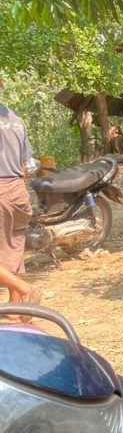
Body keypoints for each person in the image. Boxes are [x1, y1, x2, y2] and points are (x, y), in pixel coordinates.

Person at [0, 79, 33, 306]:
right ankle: (14, 311)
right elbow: (25, 165)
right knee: (15, 248)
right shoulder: (16, 120)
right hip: (19, 190)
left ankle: (22, 288)